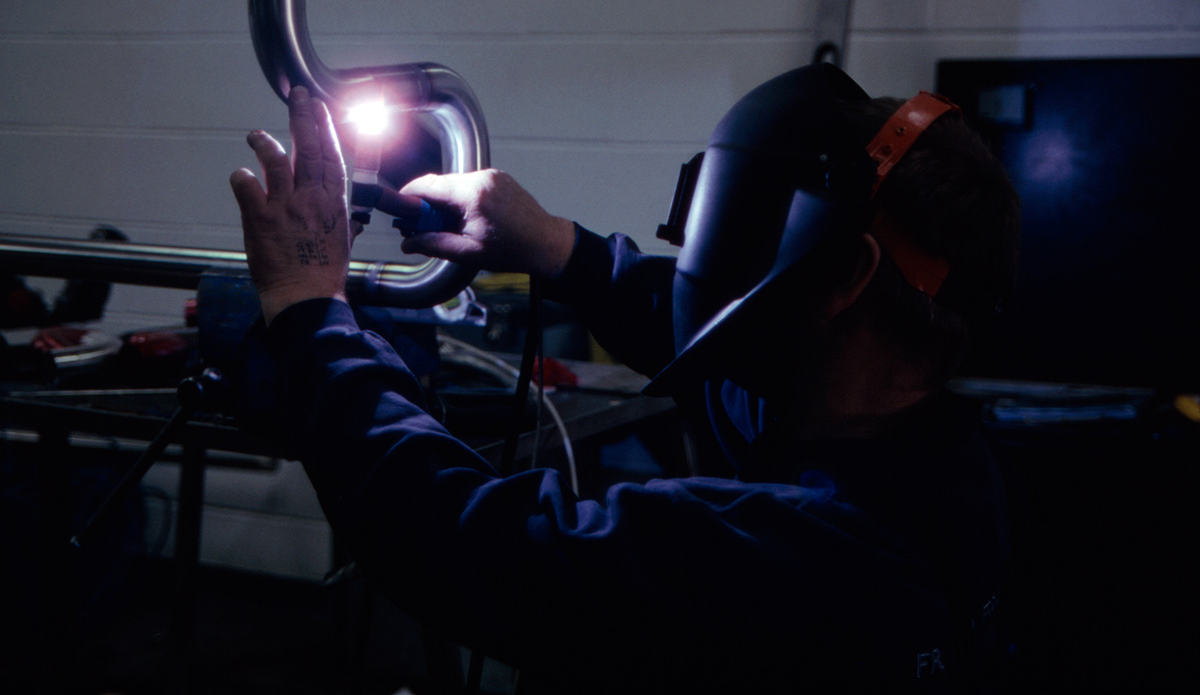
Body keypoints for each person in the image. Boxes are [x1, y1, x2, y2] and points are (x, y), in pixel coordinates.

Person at [230, 64, 1020, 693]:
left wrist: (308, 310)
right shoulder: (935, 457)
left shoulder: (801, 560)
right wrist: (559, 251)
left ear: (845, 275)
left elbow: (458, 536)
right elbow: (722, 350)